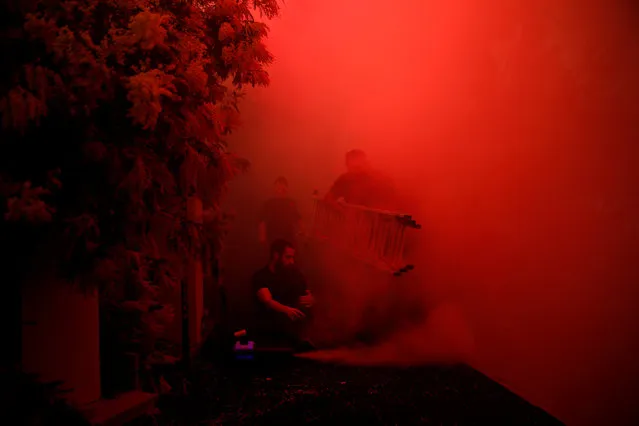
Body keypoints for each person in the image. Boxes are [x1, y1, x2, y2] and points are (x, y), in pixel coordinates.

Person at [251, 239, 315, 349]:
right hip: (268, 334)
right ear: (276, 255)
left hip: (292, 334)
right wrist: (287, 310)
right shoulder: (261, 276)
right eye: (288, 257)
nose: (292, 261)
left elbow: (307, 294)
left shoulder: (294, 275)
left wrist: (310, 299)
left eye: (293, 257)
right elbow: (267, 301)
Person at [325, 149, 397, 210]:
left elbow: (391, 200)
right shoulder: (345, 179)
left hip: (374, 221)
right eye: (352, 167)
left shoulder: (378, 178)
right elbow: (329, 197)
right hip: (355, 221)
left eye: (358, 166)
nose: (355, 170)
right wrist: (341, 211)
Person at [258, 177, 303, 249]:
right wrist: (262, 239)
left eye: (283, 185)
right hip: (273, 237)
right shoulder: (269, 203)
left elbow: (297, 218)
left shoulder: (290, 202)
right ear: (274, 188)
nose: (280, 189)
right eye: (278, 186)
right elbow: (262, 221)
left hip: (288, 237)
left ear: (286, 188)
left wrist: (302, 232)